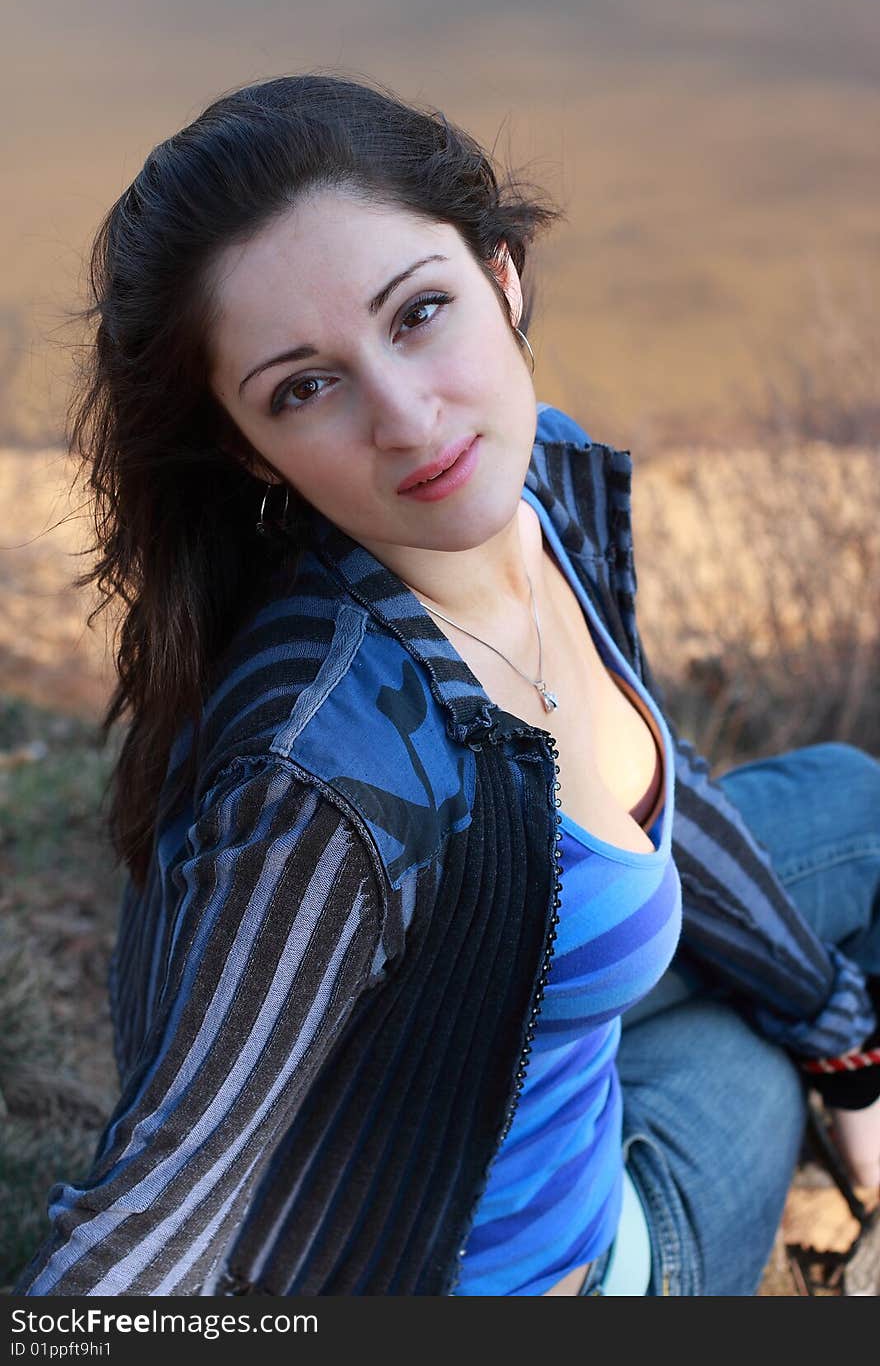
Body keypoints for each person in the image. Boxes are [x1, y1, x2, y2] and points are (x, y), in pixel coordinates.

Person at [13, 72, 880, 1298]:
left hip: (503, 1032)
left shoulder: (538, 482)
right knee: (739, 1046)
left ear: (503, 275)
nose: (412, 421)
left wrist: (847, 1046)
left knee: (855, 801)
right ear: (243, 443)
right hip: (551, 1272)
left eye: (418, 313)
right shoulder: (323, 784)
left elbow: (657, 789)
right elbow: (145, 1236)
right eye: (304, 387)